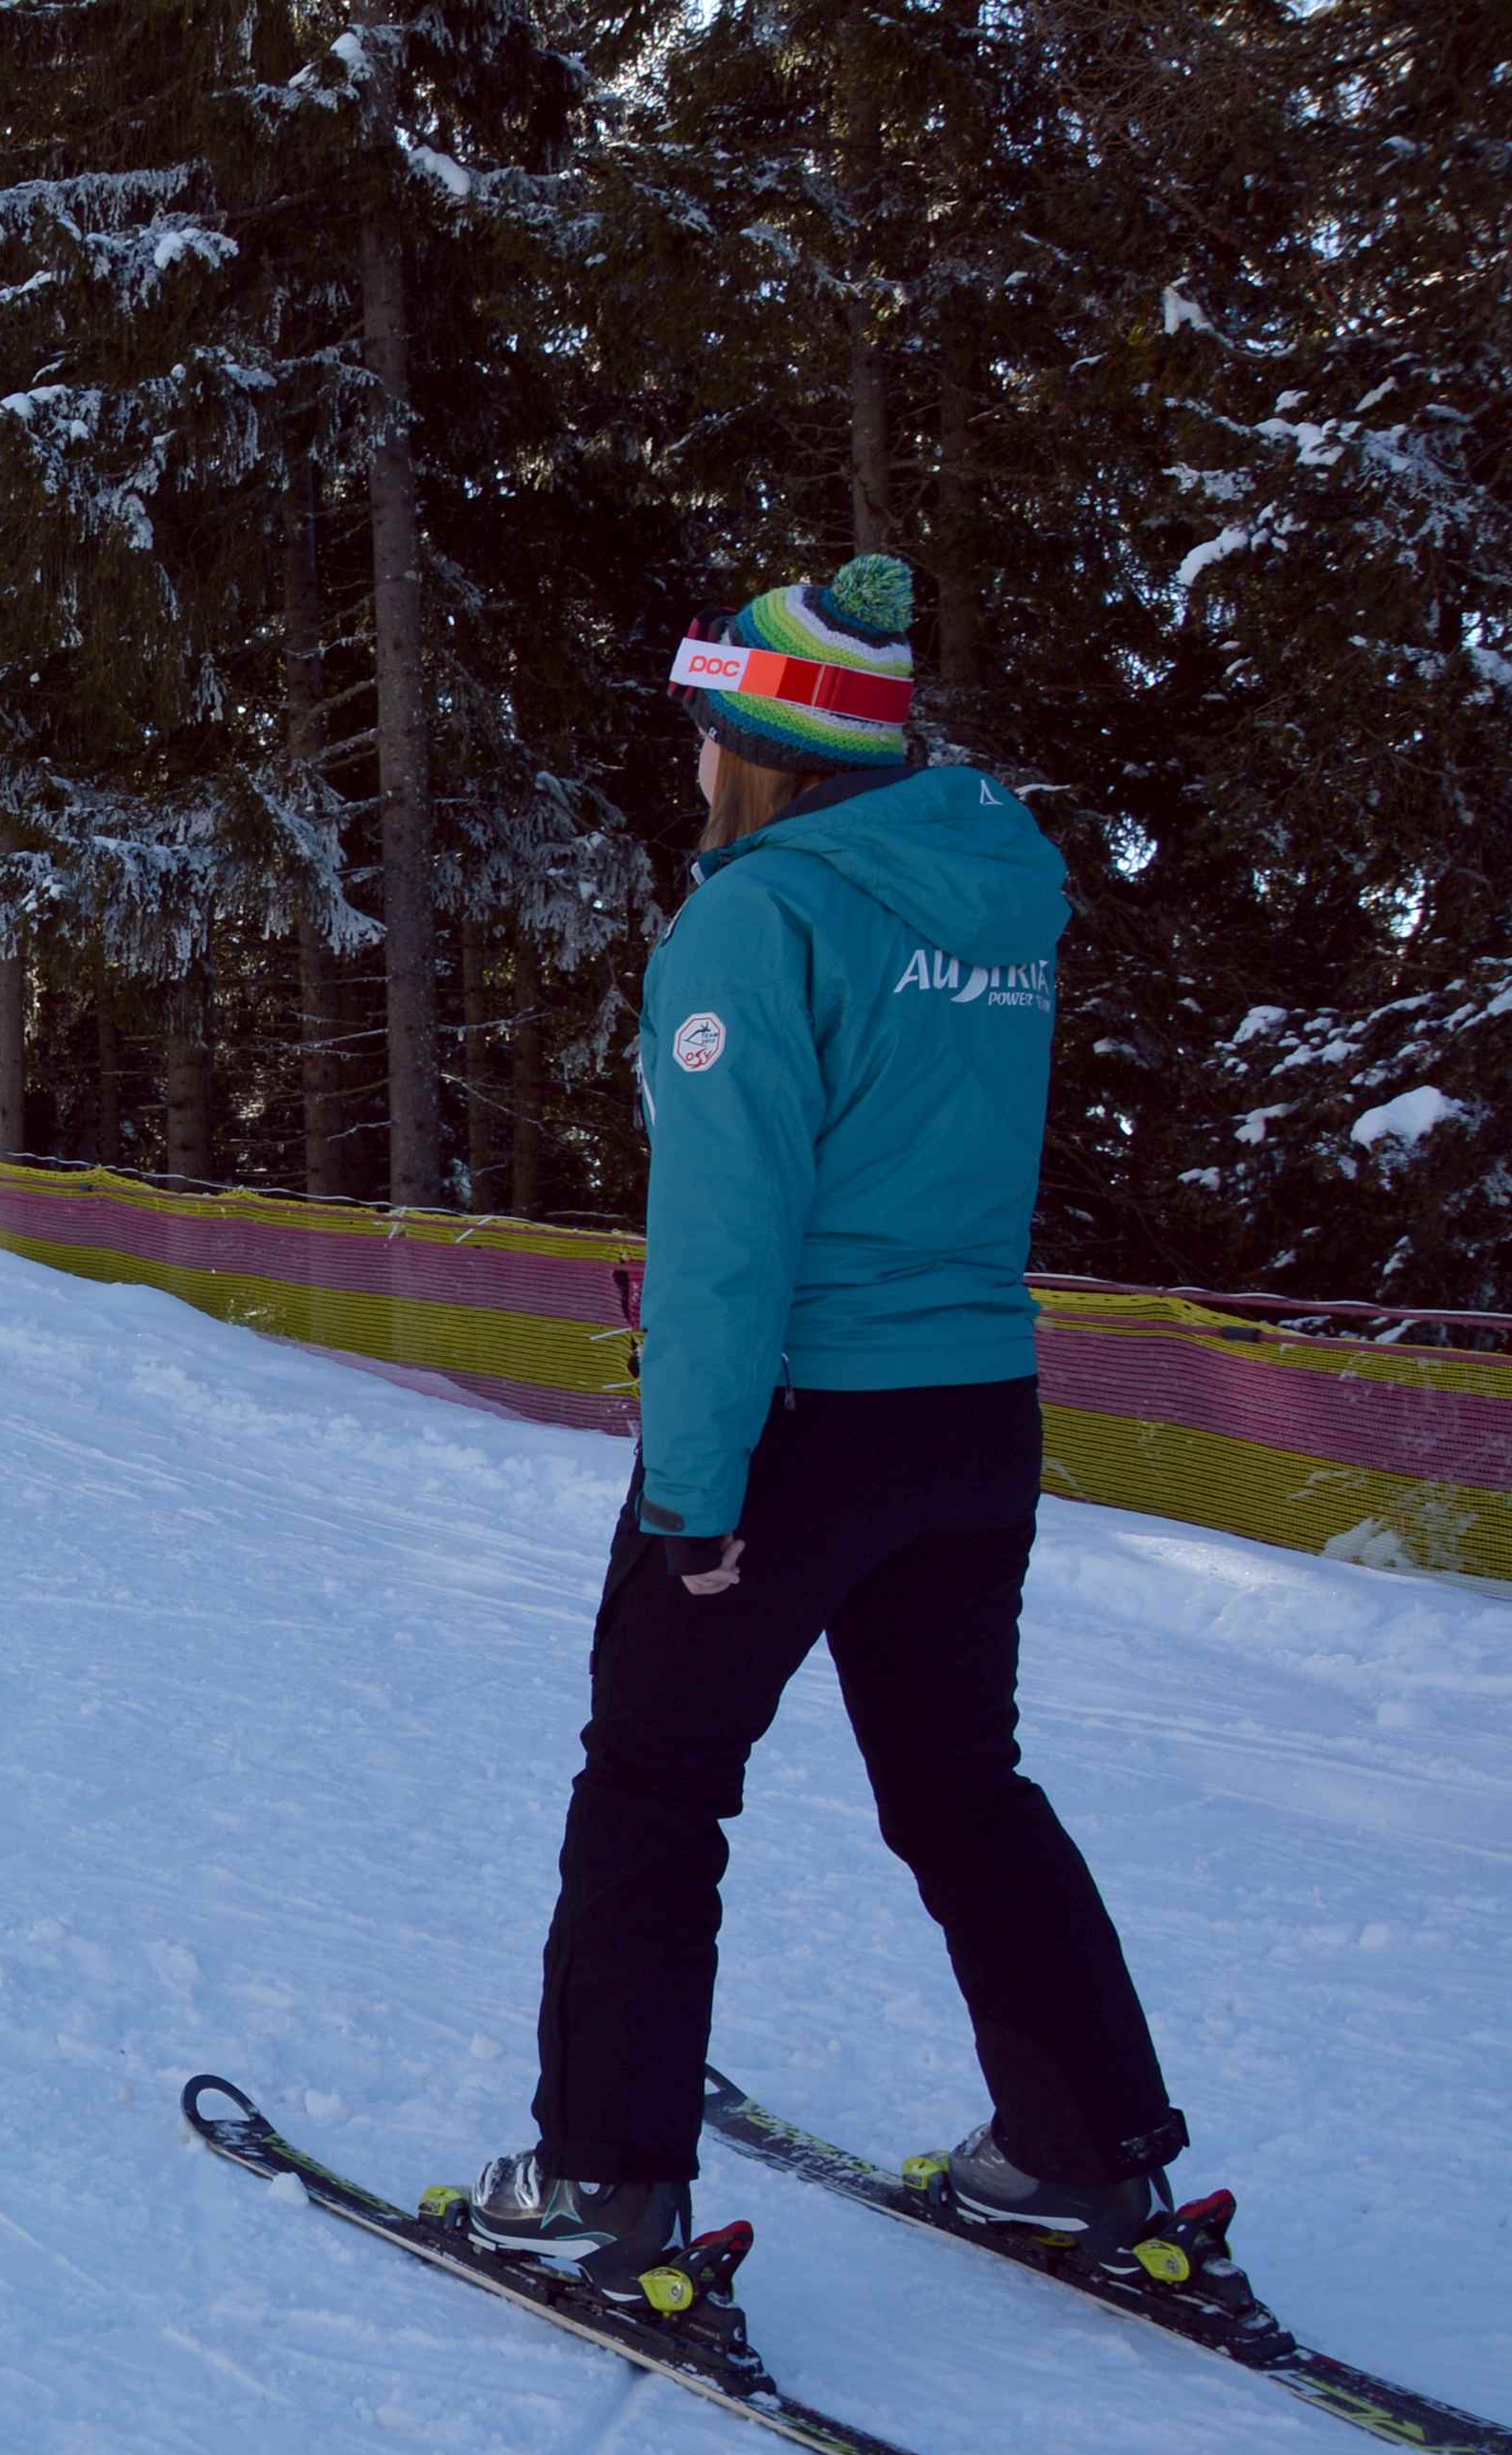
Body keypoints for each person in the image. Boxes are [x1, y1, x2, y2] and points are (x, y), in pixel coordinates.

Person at [460, 551, 1191, 2297]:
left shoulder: (758, 917)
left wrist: (693, 1495)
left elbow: (727, 1238)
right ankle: (1085, 2149)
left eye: (705, 734)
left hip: (800, 1422)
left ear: (760, 749)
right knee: (961, 1785)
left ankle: (603, 2182)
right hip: (971, 1420)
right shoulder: (990, 901)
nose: (691, 767)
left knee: (649, 1789)